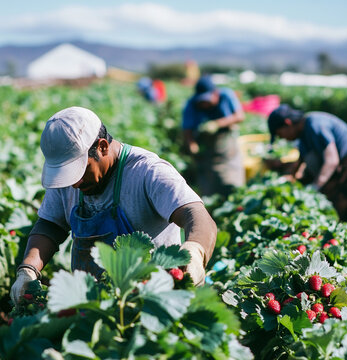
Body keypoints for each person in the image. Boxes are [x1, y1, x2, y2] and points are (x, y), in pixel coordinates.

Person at [10, 106, 216, 305]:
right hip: (91, 308)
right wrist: (28, 269)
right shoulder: (67, 180)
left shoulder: (147, 172)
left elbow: (195, 214)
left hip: (155, 303)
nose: (74, 182)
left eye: (79, 170)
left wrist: (195, 252)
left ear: (102, 147)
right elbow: (50, 225)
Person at [267, 104, 347, 236]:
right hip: (344, 176)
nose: (283, 138)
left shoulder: (315, 124)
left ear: (288, 123)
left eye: (280, 134)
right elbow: (300, 161)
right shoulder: (302, 136)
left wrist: (315, 187)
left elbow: (332, 160)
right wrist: (288, 177)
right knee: (343, 222)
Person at [182, 75, 245, 197]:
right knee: (208, 185)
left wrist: (217, 123)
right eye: (202, 101)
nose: (205, 104)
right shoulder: (191, 104)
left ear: (215, 93)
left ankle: (233, 202)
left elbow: (240, 116)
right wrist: (192, 144)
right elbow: (187, 129)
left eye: (207, 100)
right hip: (206, 152)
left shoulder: (226, 95)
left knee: (231, 181)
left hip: (227, 150)